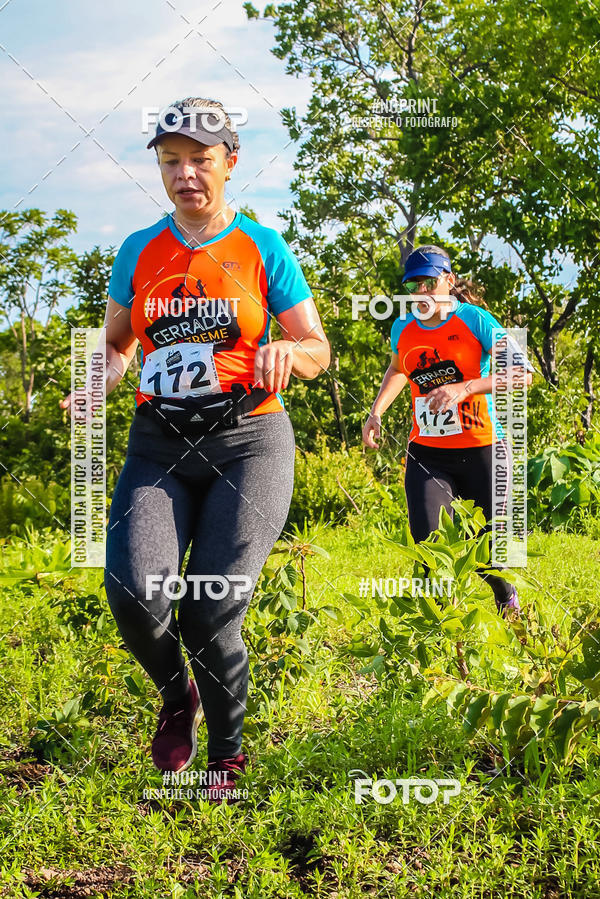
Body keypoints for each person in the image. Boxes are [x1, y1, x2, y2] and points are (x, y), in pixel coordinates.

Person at [60, 96, 330, 803]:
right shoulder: (137, 250)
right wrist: (96, 380)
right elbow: (115, 347)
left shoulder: (262, 248)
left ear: (230, 163)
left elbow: (317, 348)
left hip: (249, 441)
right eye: (171, 160)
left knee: (210, 607)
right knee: (134, 592)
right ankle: (177, 694)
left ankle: (226, 757)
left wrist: (289, 352)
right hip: (159, 445)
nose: (185, 174)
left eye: (200, 160)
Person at [362, 245, 534, 616]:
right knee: (430, 550)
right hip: (428, 455)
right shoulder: (402, 327)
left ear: (448, 280)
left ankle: (506, 599)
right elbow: (399, 368)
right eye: (413, 286)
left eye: (428, 282)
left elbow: (523, 374)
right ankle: (441, 633)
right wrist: (376, 411)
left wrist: (466, 388)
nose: (420, 292)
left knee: (487, 555)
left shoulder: (475, 320)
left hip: (483, 449)